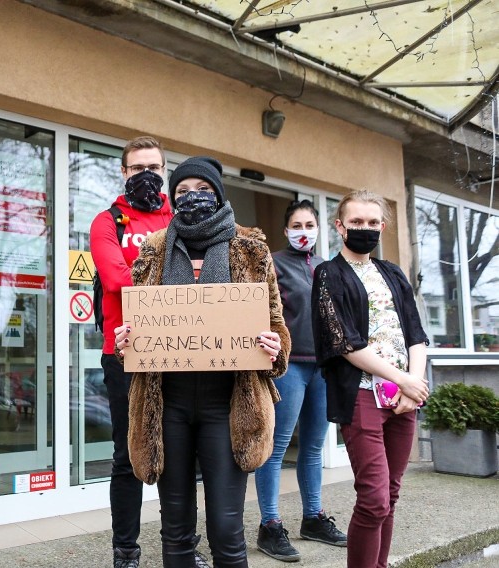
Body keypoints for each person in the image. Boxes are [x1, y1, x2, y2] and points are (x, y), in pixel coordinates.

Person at [114, 156, 291, 568]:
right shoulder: (153, 249)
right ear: (172, 200)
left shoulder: (251, 248)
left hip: (228, 404)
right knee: (175, 528)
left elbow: (279, 325)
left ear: (219, 194)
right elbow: (140, 322)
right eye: (182, 192)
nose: (193, 198)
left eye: (203, 190)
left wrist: (273, 346)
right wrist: (129, 341)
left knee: (227, 528)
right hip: (167, 404)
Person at [311, 190, 430, 568]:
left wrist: (414, 384)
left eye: (372, 222)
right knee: (374, 498)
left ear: (382, 225)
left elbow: (416, 334)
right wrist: (405, 380)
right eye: (356, 222)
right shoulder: (328, 273)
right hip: (361, 394)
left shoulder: (393, 272)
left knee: (390, 496)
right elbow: (343, 342)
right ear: (340, 226)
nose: (365, 229)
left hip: (403, 396)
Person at [89, 135, 173, 568]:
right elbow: (116, 279)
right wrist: (175, 283)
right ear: (124, 174)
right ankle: (126, 551)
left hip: (180, 350)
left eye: (153, 168)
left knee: (177, 454)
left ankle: (181, 545)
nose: (146, 175)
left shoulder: (178, 217)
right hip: (123, 353)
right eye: (137, 168)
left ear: (164, 171)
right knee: (129, 455)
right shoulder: (108, 222)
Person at [255, 200, 347, 562]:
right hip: (289, 367)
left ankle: (313, 518)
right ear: (286, 229)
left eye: (310, 225)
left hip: (324, 368)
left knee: (312, 448)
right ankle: (270, 525)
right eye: (297, 225)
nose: (303, 231)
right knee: (275, 448)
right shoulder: (273, 264)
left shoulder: (329, 268)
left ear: (319, 229)